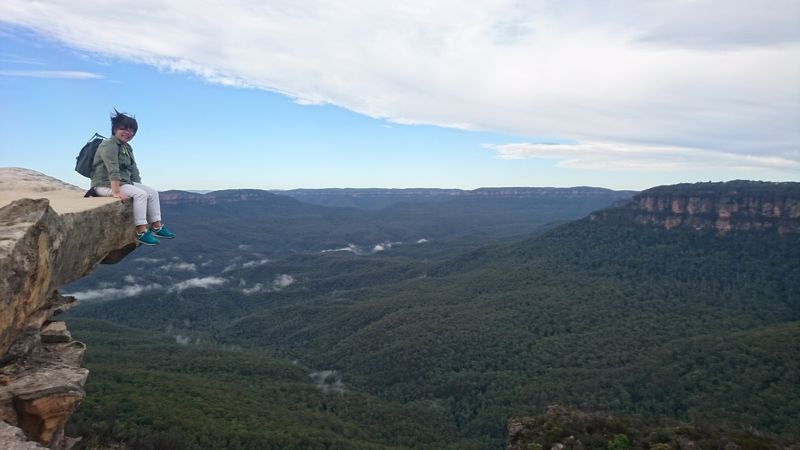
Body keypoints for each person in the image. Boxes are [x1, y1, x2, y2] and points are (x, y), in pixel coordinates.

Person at [91, 110, 176, 245]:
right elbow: (113, 168)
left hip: (125, 182)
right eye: (123, 129)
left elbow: (133, 169)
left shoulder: (127, 147)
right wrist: (116, 192)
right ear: (114, 129)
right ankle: (141, 231)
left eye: (132, 131)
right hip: (104, 185)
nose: (128, 133)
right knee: (140, 195)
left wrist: (138, 184)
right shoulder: (109, 145)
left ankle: (157, 226)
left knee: (152, 192)